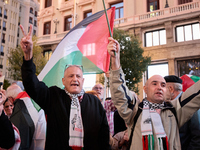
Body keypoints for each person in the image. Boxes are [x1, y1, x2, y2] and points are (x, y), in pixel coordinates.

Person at [20, 24, 110, 150]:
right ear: (63, 80)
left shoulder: (94, 102)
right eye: (70, 76)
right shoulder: (53, 97)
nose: (74, 79)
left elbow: (104, 136)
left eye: (78, 76)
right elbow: (31, 84)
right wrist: (28, 56)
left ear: (83, 81)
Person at [107, 37, 200, 150]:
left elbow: (196, 94)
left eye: (163, 85)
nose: (159, 87)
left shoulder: (175, 110)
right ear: (145, 89)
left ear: (168, 90)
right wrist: (115, 60)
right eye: (154, 84)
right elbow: (120, 94)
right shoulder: (135, 112)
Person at [164, 75, 200, 150]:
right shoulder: (168, 105)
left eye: (163, 86)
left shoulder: (189, 105)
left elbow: (197, 137)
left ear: (171, 89)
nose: (161, 90)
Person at [7, 84, 46, 150]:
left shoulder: (20, 108)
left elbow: (21, 140)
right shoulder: (31, 100)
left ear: (10, 98)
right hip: (41, 143)